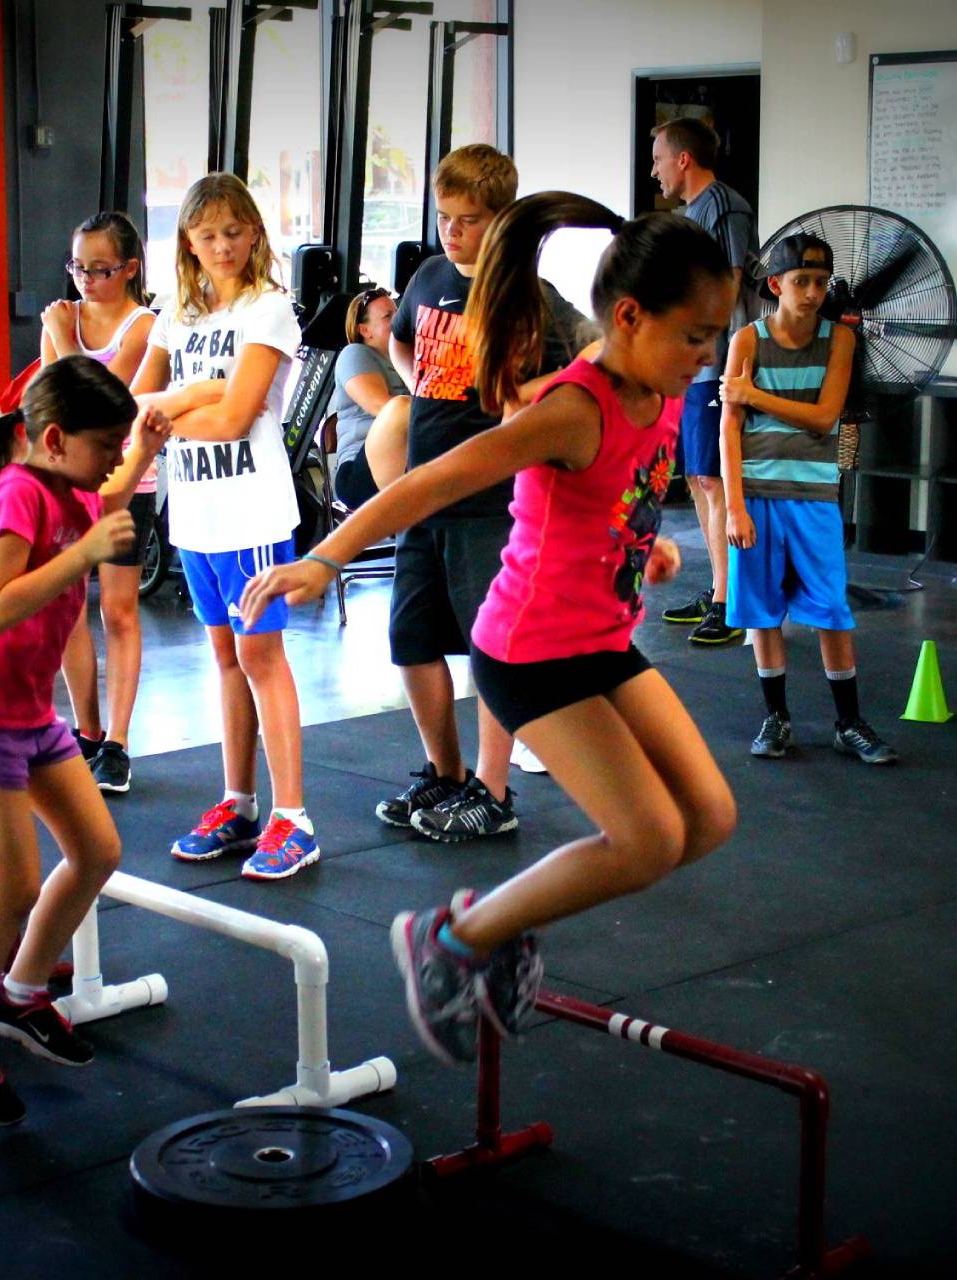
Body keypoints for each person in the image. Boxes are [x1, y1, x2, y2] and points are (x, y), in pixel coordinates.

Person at [241, 193, 739, 1063]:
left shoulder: (656, 389)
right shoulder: (573, 407)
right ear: (630, 317)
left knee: (707, 817)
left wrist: (642, 544)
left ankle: (489, 927)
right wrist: (323, 558)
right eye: (696, 336)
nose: (708, 356)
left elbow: (609, 497)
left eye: (716, 337)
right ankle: (453, 937)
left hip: (601, 638)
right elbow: (430, 482)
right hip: (532, 652)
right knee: (648, 839)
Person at [0, 357, 170, 1125]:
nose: (113, 458)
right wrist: (83, 557)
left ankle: (21, 993)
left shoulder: (70, 487)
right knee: (14, 889)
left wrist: (144, 451)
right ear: (55, 439)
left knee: (97, 853)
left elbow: (105, 502)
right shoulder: (18, 492)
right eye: (106, 445)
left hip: (30, 715)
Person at [380, 144, 585, 843]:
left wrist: (519, 398)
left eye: (468, 220)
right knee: (410, 640)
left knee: (492, 649)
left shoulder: (529, 296)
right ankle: (446, 775)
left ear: (502, 221)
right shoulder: (429, 276)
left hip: (491, 502)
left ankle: (492, 794)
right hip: (423, 492)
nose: (452, 231)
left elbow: (585, 370)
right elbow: (401, 340)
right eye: (444, 216)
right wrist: (415, 378)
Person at [129, 172, 320, 881]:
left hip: (252, 515)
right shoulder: (175, 312)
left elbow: (237, 418)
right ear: (187, 241)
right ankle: (239, 802)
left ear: (254, 234)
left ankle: (293, 818)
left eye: (234, 232)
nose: (222, 246)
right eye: (208, 234)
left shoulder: (268, 309)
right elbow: (134, 403)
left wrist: (173, 409)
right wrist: (199, 392)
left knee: (261, 657)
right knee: (226, 659)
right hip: (195, 515)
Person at [720, 235, 897, 767]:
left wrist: (753, 395)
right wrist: (734, 507)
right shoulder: (747, 341)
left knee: (832, 609)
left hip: (815, 495)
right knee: (761, 611)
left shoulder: (839, 341)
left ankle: (849, 722)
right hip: (756, 493)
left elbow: (824, 417)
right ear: (776, 285)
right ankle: (776, 717)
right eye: (802, 281)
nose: (814, 292)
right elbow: (729, 429)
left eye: (821, 282)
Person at [3, 212, 156, 794]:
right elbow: (53, 404)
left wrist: (64, 339)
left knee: (117, 609)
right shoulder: (61, 320)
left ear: (130, 269)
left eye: (99, 269)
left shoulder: (143, 326)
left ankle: (118, 740)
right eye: (78, 268)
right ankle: (87, 731)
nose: (86, 280)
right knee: (67, 609)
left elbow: (103, 404)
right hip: (67, 480)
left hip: (125, 478)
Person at [649, 118, 757, 648]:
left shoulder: (725, 206)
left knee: (714, 480)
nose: (655, 171)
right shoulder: (687, 216)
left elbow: (731, 283)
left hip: (719, 363)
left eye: (659, 160)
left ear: (683, 159)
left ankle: (729, 601)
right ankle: (718, 587)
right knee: (696, 478)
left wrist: (704, 344)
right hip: (692, 365)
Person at [329, 285, 410, 510]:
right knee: (401, 408)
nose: (398, 319)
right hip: (358, 473)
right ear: (365, 330)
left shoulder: (407, 358)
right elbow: (384, 409)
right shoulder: (355, 353)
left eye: (397, 313)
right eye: (388, 316)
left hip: (403, 461)